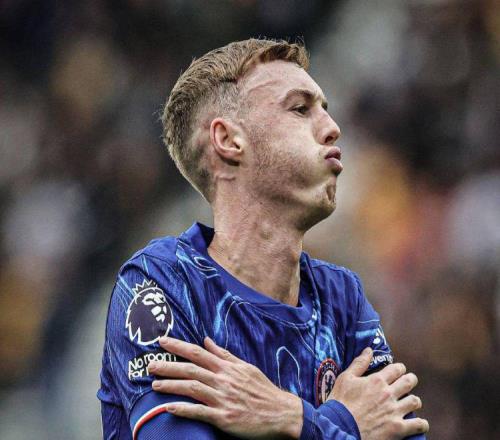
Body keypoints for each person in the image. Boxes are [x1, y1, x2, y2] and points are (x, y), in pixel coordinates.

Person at [97, 38, 429, 439]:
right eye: (300, 108)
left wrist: (287, 417)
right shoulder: (164, 285)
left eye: (325, 109)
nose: (332, 128)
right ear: (228, 140)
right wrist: (332, 422)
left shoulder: (341, 298)